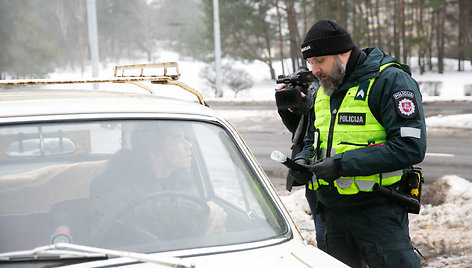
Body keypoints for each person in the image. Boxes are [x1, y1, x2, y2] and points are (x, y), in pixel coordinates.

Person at [291, 20, 426, 268]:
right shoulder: (324, 89)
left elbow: (410, 147)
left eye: (320, 60)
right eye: (311, 63)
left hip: (379, 213)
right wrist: (303, 161)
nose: (315, 70)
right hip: (332, 213)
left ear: (343, 52)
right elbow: (312, 139)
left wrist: (341, 165)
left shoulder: (389, 81)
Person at [89, 122, 227, 244]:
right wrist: (206, 235)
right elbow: (132, 235)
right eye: (176, 139)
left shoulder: (187, 182)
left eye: (185, 138)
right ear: (154, 153)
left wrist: (212, 216)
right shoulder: (113, 187)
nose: (189, 145)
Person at [276, 80, 327, 252]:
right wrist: (286, 110)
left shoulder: (328, 90)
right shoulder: (313, 90)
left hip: (330, 174)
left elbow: (326, 127)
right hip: (311, 175)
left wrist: (310, 107)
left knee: (329, 233)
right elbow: (298, 130)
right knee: (322, 230)